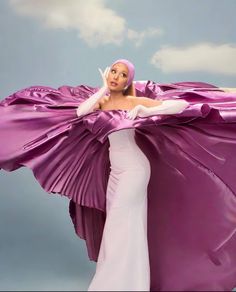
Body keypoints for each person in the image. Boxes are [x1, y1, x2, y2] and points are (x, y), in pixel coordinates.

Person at [0, 58, 236, 291]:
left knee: (122, 226)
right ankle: (123, 283)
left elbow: (180, 106)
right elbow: (81, 111)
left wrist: (145, 109)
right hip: (116, 172)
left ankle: (121, 285)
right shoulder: (101, 102)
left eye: (123, 75)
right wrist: (102, 88)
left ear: (128, 81)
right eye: (114, 71)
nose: (116, 77)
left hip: (134, 170)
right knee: (117, 226)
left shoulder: (133, 101)